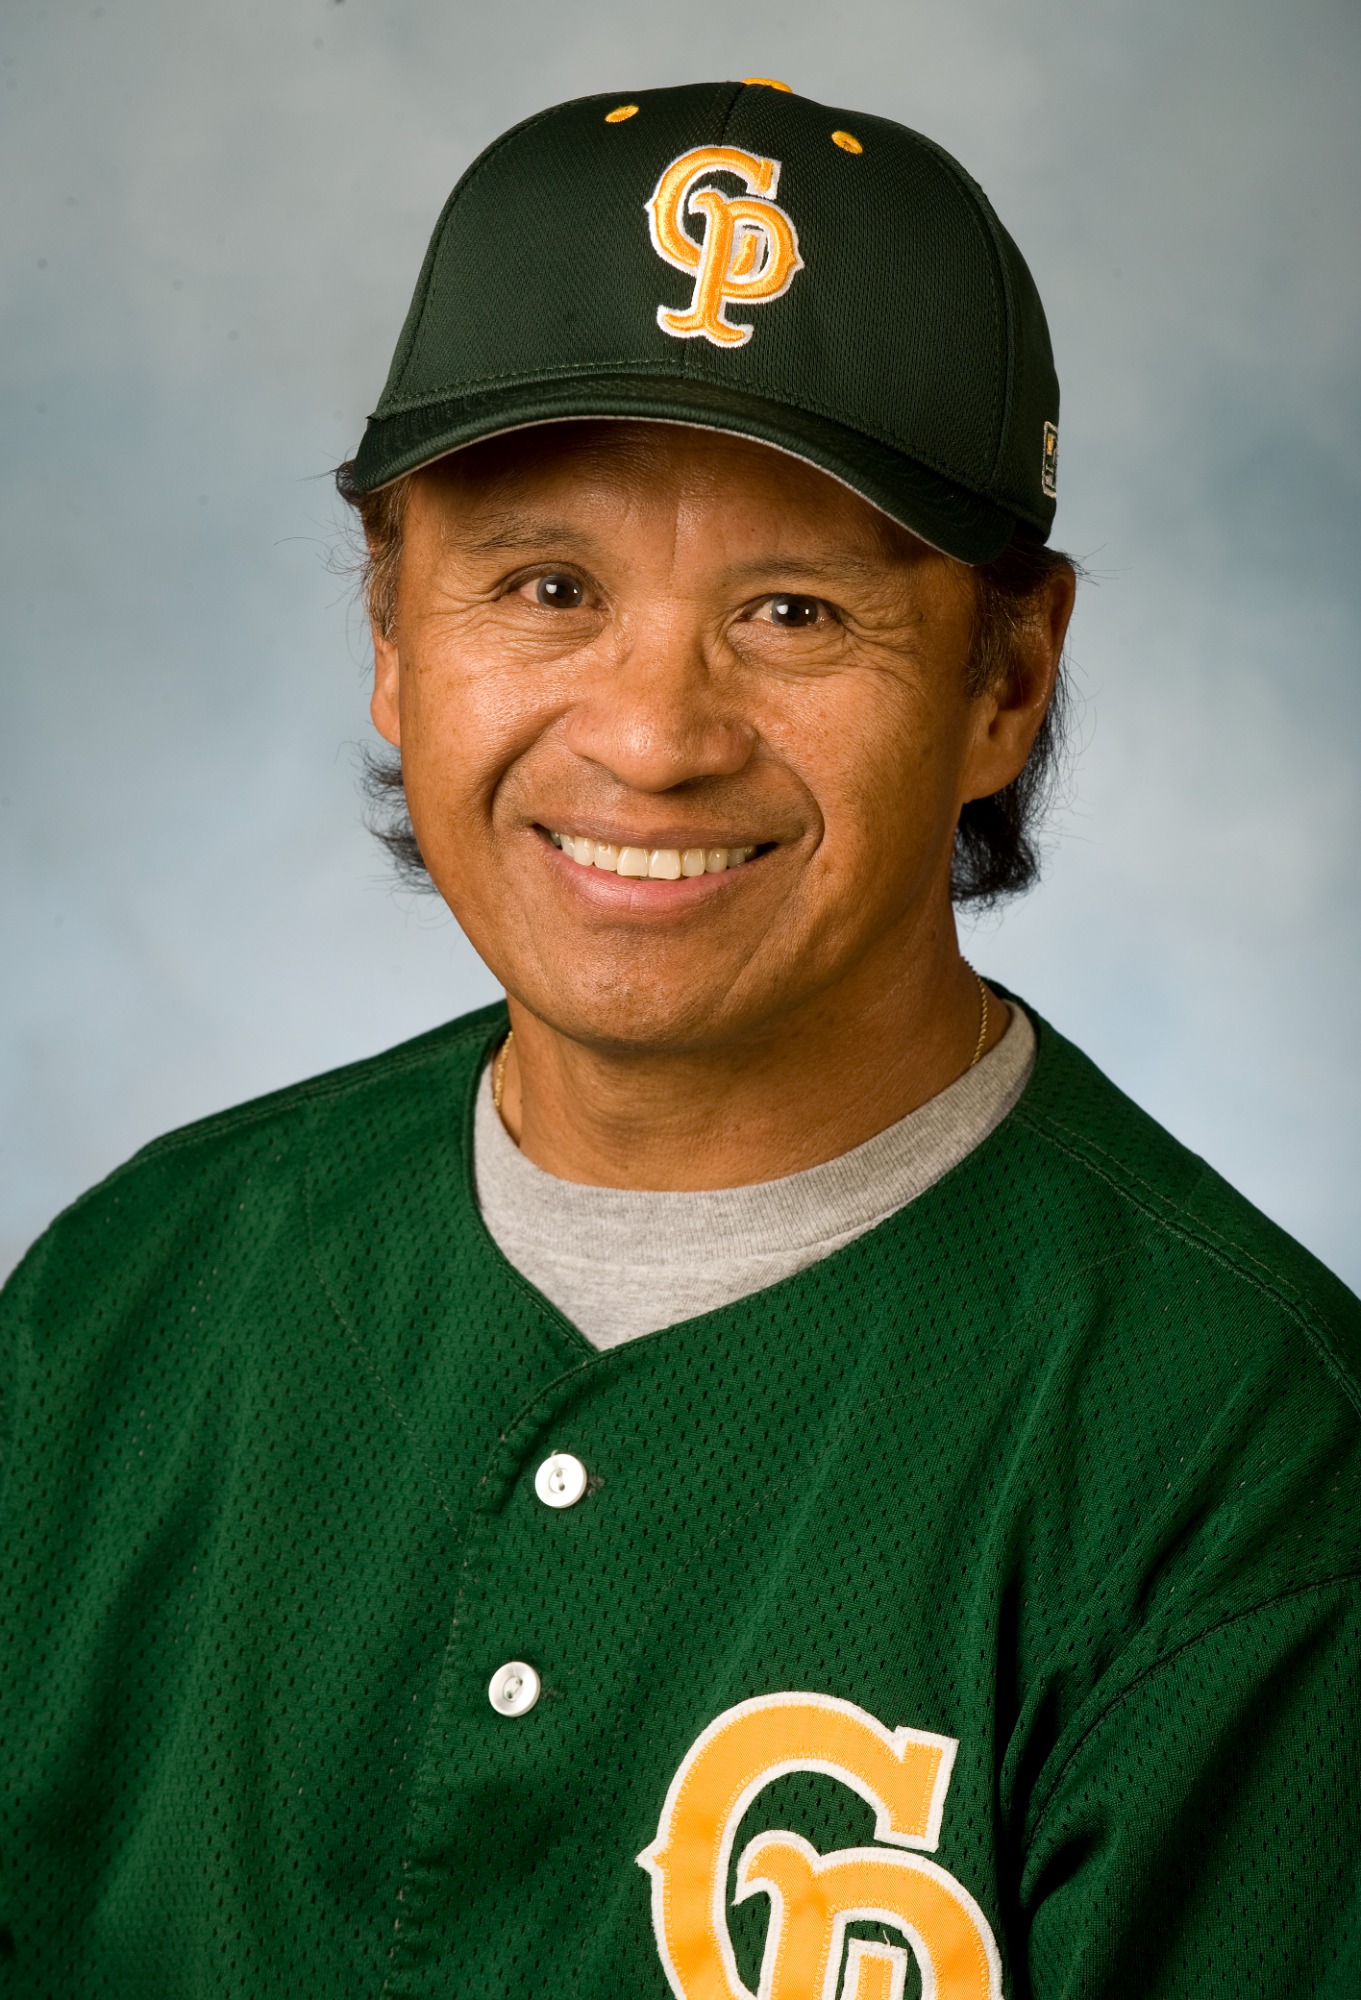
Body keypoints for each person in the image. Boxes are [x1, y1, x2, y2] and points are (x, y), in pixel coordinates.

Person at [1, 77, 1358, 2000]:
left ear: (1007, 684)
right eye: (546, 590)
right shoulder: (118, 1308)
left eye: (793, 611)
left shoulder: (1245, 1471)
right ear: (394, 633)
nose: (653, 734)